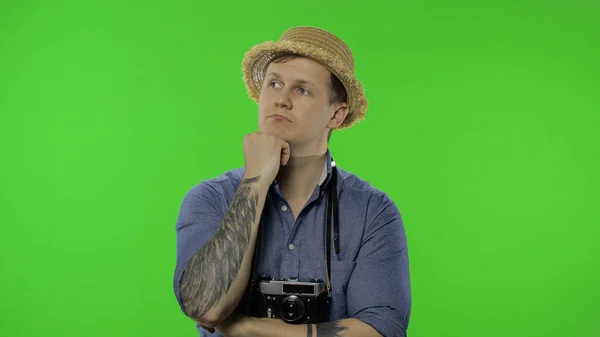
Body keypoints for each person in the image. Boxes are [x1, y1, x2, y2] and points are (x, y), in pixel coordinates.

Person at [173, 26, 411, 337]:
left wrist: (247, 327)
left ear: (336, 116)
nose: (280, 100)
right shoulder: (210, 198)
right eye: (274, 84)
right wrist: (255, 180)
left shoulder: (372, 211)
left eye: (302, 90)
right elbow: (205, 306)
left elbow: (383, 329)